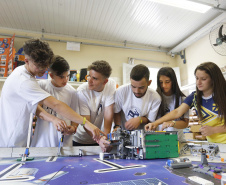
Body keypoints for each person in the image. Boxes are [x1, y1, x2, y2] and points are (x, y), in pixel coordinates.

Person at [0, 39, 104, 147]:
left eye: (46, 65)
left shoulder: (24, 74)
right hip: (10, 141)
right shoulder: (24, 81)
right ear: (27, 61)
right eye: (40, 66)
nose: (44, 70)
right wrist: (86, 123)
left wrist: (53, 119)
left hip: (21, 138)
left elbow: (34, 106)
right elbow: (56, 104)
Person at [145, 62, 226, 143]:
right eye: (197, 78)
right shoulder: (194, 97)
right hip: (213, 145)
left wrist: (214, 130)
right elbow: (177, 112)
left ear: (213, 79)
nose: (198, 82)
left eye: (203, 79)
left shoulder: (224, 96)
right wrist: (155, 123)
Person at [31, 56, 79, 147]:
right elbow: (36, 109)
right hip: (43, 138)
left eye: (67, 76)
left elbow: (75, 115)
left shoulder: (72, 92)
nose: (65, 80)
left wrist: (73, 128)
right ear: (51, 75)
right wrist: (53, 119)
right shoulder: (41, 86)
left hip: (64, 141)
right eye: (61, 77)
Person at [73, 60, 115, 152]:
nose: (89, 81)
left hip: (99, 137)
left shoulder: (111, 84)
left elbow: (108, 113)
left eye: (95, 78)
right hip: (81, 139)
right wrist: (99, 139)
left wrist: (106, 138)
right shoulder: (82, 91)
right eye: (89, 76)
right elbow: (86, 122)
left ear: (105, 81)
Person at [114, 64, 161, 130]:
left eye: (141, 87)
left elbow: (150, 120)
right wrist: (117, 126)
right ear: (130, 80)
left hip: (142, 134)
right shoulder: (121, 91)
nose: (137, 91)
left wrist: (140, 119)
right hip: (123, 132)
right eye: (133, 86)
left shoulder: (155, 98)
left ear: (149, 83)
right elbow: (116, 111)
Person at [155, 67, 189, 142]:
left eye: (167, 82)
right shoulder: (155, 97)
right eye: (161, 82)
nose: (163, 85)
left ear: (173, 81)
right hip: (160, 141)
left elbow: (185, 123)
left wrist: (173, 123)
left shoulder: (182, 99)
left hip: (178, 140)